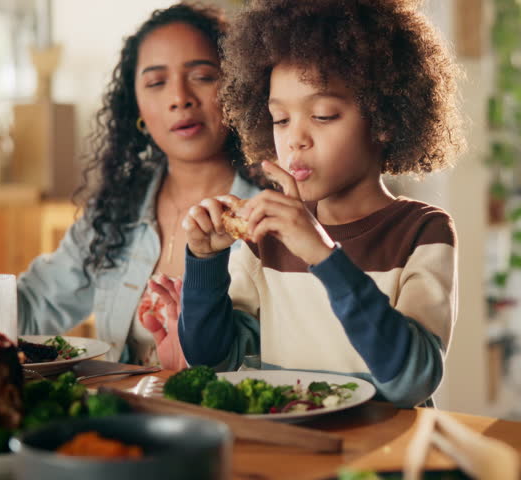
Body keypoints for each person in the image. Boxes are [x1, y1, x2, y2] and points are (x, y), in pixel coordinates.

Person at [177, 0, 464, 408]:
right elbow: (214, 361)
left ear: (384, 118)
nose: (295, 139)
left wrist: (321, 254)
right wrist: (203, 262)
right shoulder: (267, 235)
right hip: (292, 456)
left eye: (324, 115)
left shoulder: (422, 231)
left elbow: (412, 381)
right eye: (280, 119)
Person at [0, 3, 261, 368]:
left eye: (203, 76)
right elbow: (27, 318)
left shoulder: (268, 213)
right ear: (137, 108)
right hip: (121, 419)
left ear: (237, 85)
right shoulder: (114, 212)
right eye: (156, 82)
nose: (180, 98)